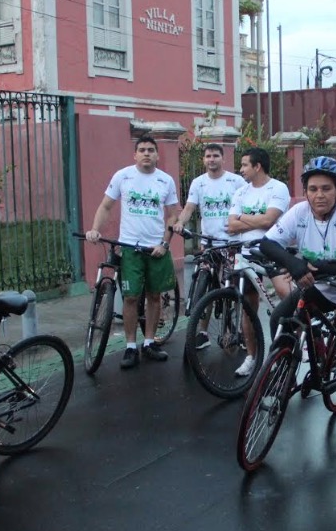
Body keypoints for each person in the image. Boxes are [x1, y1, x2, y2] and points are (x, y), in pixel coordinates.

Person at [258, 156, 336, 456]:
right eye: (313, 189)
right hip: (324, 288)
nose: (319, 195)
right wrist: (295, 265)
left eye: (326, 189)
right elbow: (267, 243)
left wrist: (316, 268)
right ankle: (292, 365)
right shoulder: (300, 212)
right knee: (280, 318)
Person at [86, 135, 180, 369]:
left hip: (155, 248)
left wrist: (164, 243)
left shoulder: (165, 180)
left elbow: (172, 215)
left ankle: (149, 342)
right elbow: (106, 206)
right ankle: (130, 347)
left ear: (157, 155)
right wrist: (95, 229)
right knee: (130, 297)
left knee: (154, 296)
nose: (146, 153)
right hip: (130, 248)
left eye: (151, 150)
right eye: (142, 150)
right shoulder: (123, 176)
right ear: (135, 154)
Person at [226, 147, 292, 377]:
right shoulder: (241, 192)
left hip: (273, 250)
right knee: (247, 308)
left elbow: (269, 221)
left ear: (258, 166)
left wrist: (242, 218)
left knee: (288, 297)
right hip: (246, 253)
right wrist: (254, 221)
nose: (241, 169)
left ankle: (300, 341)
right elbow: (231, 226)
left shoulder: (278, 188)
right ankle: (251, 357)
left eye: (245, 165)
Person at [172, 143, 246, 348]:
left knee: (231, 287)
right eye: (208, 156)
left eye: (215, 155)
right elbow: (189, 208)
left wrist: (241, 224)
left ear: (223, 158)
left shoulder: (236, 181)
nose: (211, 159)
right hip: (209, 244)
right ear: (203, 159)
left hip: (232, 244)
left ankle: (236, 331)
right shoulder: (198, 183)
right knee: (205, 289)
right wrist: (180, 222)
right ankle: (203, 333)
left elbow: (246, 206)